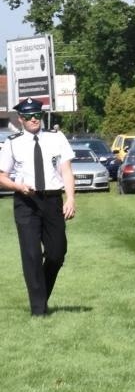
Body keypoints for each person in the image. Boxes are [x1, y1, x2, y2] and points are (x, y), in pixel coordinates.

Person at [0, 99, 77, 316]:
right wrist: (17, 186)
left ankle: (40, 294)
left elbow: (67, 170)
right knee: (32, 255)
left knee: (56, 253)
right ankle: (38, 310)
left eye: (37, 115)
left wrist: (70, 198)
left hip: (52, 200)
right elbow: (1, 176)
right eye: (28, 116)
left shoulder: (57, 138)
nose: (34, 119)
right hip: (26, 202)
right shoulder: (12, 143)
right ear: (20, 119)